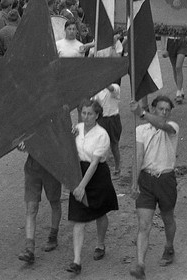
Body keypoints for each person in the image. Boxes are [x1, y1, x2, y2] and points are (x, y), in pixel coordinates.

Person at [65, 99, 119, 275]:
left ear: (97, 115)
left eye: (90, 114)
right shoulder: (77, 129)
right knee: (78, 218)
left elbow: (95, 164)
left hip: (96, 176)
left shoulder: (102, 135)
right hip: (78, 173)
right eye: (84, 113)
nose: (86, 117)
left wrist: (81, 187)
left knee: (100, 213)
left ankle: (100, 244)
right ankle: (76, 261)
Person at [129, 95, 180, 279]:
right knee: (144, 224)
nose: (164, 112)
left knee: (167, 218)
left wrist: (141, 112)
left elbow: (162, 125)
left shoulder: (172, 127)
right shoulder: (141, 130)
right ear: (154, 108)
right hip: (147, 179)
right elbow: (138, 156)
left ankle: (169, 246)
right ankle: (140, 264)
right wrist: (134, 182)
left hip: (166, 179)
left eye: (167, 110)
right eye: (161, 109)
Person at [94, 84, 122, 175]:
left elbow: (112, 89)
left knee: (114, 145)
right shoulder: (97, 91)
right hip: (101, 119)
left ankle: (118, 167)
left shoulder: (115, 87)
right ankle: (99, 168)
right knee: (100, 145)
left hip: (113, 119)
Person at [162, 35, 187, 104]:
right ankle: (180, 88)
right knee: (174, 68)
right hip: (171, 42)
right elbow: (163, 34)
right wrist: (164, 49)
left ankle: (179, 93)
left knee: (178, 67)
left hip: (182, 40)